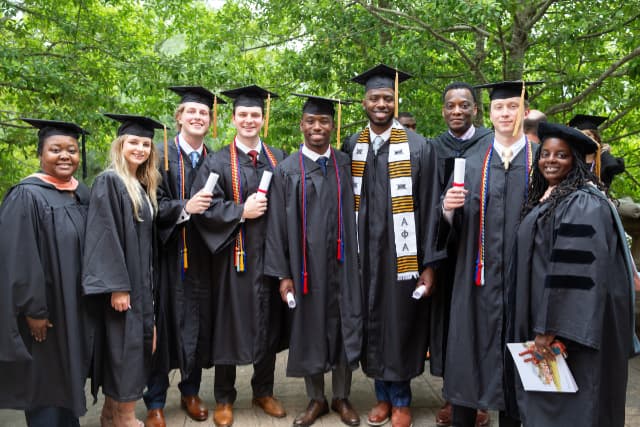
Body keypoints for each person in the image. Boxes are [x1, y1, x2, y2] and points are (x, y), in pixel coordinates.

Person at [507, 122, 639, 427]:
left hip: (570, 331)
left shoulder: (582, 203)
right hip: (546, 319)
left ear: (576, 162)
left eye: (562, 155)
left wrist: (549, 328)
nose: (551, 160)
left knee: (575, 407)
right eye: (546, 154)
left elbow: (575, 273)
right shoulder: (549, 197)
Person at [342, 64, 444, 427]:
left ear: (396, 100)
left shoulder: (420, 147)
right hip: (363, 255)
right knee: (371, 320)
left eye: (387, 98)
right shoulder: (353, 145)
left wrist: (431, 264)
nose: (381, 103)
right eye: (374, 98)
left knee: (399, 323)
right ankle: (382, 396)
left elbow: (433, 207)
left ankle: (401, 399)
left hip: (404, 257)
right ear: (364, 102)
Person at [441, 80, 541, 427]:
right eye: (499, 107)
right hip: (476, 281)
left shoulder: (540, 163)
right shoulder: (470, 161)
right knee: (469, 358)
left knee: (517, 361)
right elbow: (450, 228)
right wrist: (448, 210)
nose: (505, 113)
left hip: (524, 282)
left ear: (523, 112)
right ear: (491, 113)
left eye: (512, 107)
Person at [265, 94, 363, 427]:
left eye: (323, 121)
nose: (317, 127)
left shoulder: (346, 163)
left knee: (344, 322)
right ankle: (316, 398)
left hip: (345, 263)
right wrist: (283, 275)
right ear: (302, 125)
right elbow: (276, 224)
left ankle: (342, 396)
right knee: (310, 328)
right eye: (311, 121)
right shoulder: (287, 169)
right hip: (305, 269)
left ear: (332, 126)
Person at [192, 85, 288, 427]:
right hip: (235, 258)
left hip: (273, 257)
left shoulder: (278, 158)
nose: (249, 120)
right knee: (229, 325)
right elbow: (204, 207)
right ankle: (224, 397)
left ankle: (263, 390)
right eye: (243, 115)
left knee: (269, 323)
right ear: (232, 119)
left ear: (263, 119)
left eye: (255, 115)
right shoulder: (217, 161)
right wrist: (240, 211)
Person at [0, 119, 92, 427]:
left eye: (72, 150)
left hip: (74, 309)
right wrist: (33, 310)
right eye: (56, 150)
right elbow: (18, 257)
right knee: (46, 383)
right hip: (46, 313)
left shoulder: (81, 194)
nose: (65, 156)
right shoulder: (26, 195)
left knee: (69, 378)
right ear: (41, 154)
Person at [143, 86, 223, 427]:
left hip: (204, 258)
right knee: (164, 326)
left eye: (203, 113)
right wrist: (184, 208)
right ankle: (155, 400)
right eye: (191, 112)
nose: (197, 117)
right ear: (178, 117)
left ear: (210, 120)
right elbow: (150, 204)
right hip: (168, 255)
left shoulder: (216, 159)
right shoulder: (158, 155)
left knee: (198, 325)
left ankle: (191, 391)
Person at [82, 113, 163, 427]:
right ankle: (127, 419)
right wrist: (117, 286)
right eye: (134, 142)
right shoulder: (110, 181)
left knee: (131, 351)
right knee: (126, 354)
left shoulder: (140, 185)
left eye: (145, 143)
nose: (140, 148)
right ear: (120, 145)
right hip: (124, 289)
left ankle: (110, 416)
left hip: (140, 289)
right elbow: (104, 235)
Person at [427, 82, 493, 427]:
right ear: (443, 111)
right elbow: (425, 200)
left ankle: (480, 398)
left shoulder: (490, 145)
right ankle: (454, 396)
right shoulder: (433, 147)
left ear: (475, 110)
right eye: (450, 105)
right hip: (446, 249)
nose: (457, 111)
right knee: (449, 323)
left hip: (481, 247)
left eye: (463, 105)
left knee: (479, 319)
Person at [568, 114, 625, 188]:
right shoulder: (573, 159)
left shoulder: (602, 158)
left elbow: (616, 167)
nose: (585, 138)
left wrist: (603, 152)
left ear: (596, 138)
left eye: (588, 135)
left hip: (597, 197)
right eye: (581, 135)